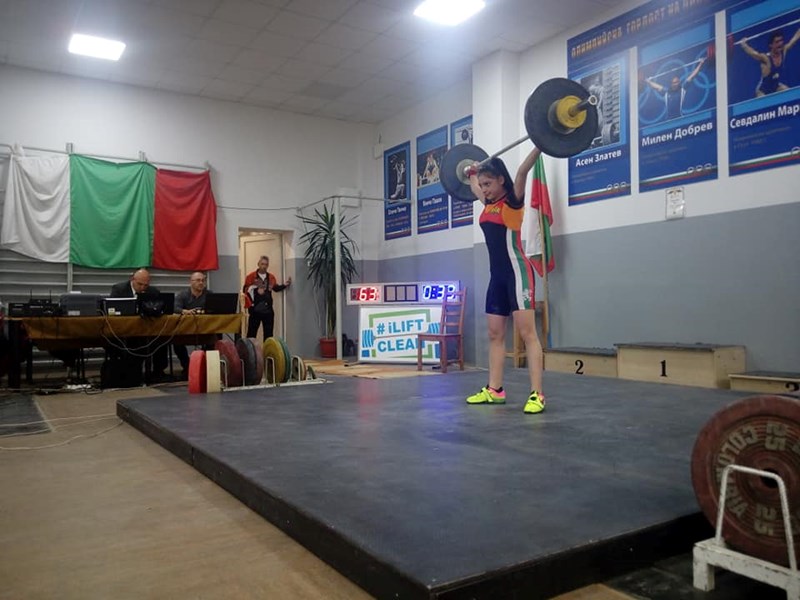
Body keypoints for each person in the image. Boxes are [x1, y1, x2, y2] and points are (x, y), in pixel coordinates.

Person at [464, 147, 546, 415]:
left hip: (517, 273)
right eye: (483, 185)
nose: (484, 189)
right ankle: (495, 390)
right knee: (494, 334)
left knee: (528, 334)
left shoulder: (513, 201)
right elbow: (471, 183)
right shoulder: (488, 204)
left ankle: (537, 394)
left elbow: (522, 171)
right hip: (497, 278)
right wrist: (470, 172)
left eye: (488, 184)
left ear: (501, 179)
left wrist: (540, 143)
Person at [108, 268, 168, 379]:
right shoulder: (119, 289)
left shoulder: (153, 291)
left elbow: (160, 309)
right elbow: (112, 309)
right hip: (124, 331)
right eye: (140, 284)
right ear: (132, 279)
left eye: (146, 285)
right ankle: (128, 374)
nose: (142, 288)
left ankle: (158, 373)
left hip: (146, 330)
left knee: (162, 340)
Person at [243, 256, 291, 340]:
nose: (264, 266)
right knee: (251, 334)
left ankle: (267, 349)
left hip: (268, 310)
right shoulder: (251, 276)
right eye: (262, 264)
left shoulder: (271, 277)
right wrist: (256, 291)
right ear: (258, 264)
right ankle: (250, 348)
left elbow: (275, 288)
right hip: (254, 310)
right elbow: (245, 290)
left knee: (268, 335)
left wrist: (284, 285)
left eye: (266, 264)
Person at [741, 29, 800, 97]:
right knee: (764, 101)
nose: (780, 43)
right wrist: (744, 45)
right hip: (763, 91)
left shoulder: (784, 51)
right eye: (777, 42)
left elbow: (794, 39)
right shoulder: (766, 58)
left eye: (781, 40)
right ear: (771, 45)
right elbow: (753, 54)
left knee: (791, 93)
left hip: (776, 86)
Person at [173, 271, 210, 375]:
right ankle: (187, 367)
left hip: (205, 329)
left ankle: (206, 368)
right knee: (176, 343)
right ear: (191, 282)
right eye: (198, 280)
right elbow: (174, 307)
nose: (201, 283)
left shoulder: (209, 294)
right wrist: (184, 311)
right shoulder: (182, 295)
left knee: (214, 340)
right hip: (185, 330)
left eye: (203, 280)